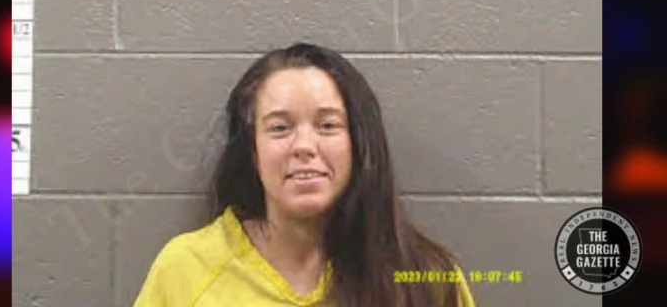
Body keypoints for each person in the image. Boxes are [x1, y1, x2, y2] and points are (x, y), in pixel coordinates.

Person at [133, 43, 477, 307]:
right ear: (253, 151)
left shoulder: (426, 280)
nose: (304, 146)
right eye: (280, 128)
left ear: (358, 144)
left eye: (327, 125)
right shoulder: (186, 270)